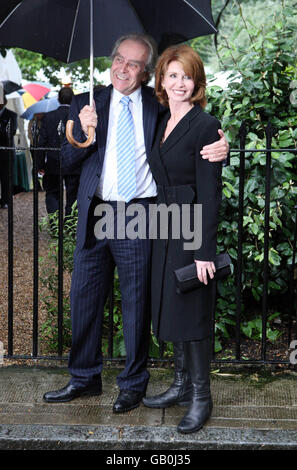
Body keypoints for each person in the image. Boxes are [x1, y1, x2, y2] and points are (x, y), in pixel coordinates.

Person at [43, 34, 228, 413]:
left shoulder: (157, 105)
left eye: (133, 64)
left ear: (146, 73)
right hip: (98, 213)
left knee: (136, 304)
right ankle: (83, 378)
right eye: (118, 60)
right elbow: (64, 161)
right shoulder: (87, 102)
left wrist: (221, 146)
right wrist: (80, 131)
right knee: (84, 299)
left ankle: (132, 383)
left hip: (141, 215)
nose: (122, 69)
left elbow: (188, 134)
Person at [142, 44, 222, 434]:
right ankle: (179, 384)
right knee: (173, 306)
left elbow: (210, 192)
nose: (179, 82)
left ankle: (201, 397)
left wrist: (205, 251)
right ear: (161, 80)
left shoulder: (204, 125)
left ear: (197, 82)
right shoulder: (161, 121)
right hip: (165, 226)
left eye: (186, 76)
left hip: (191, 228)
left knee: (192, 311)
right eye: (172, 75)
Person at [37, 87, 80, 217]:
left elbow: (41, 142)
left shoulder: (48, 116)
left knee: (52, 193)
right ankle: (69, 224)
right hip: (73, 161)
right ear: (73, 99)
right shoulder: (77, 116)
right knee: (73, 194)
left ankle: (56, 225)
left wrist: (39, 164)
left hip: (53, 160)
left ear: (58, 99)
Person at [0, 96, 17, 209]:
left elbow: (11, 132)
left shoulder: (11, 115)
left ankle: (5, 201)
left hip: (6, 154)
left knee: (6, 179)